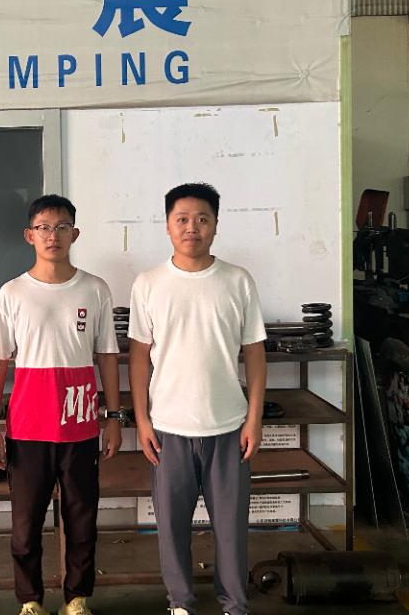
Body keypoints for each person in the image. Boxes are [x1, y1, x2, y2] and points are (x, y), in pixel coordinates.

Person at [127, 182, 267, 615]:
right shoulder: (149, 284)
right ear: (168, 226)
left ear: (216, 226)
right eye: (183, 219)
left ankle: (235, 604)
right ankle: (180, 602)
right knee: (171, 528)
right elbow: (138, 357)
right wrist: (142, 421)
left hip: (229, 427)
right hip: (168, 429)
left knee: (231, 528)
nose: (192, 227)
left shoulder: (238, 281)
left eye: (202, 219)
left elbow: (255, 353)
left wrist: (254, 419)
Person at [0, 194, 121, 615]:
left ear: (74, 234)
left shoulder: (95, 289)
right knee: (25, 525)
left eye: (62, 227)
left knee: (82, 520)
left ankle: (77, 598)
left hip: (80, 425)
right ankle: (30, 601)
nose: (53, 235)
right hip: (28, 428)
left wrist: (114, 418)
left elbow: (107, 356)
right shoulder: (12, 293)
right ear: (29, 235)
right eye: (44, 227)